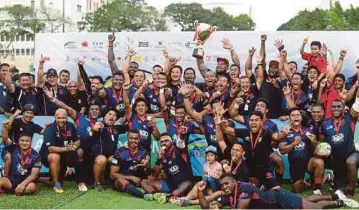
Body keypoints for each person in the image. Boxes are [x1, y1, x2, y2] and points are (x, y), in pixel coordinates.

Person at [43, 88, 102, 192]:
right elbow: (66, 107)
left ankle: (82, 180)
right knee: (79, 152)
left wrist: (99, 126)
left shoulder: (101, 122)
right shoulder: (79, 117)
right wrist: (53, 99)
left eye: (97, 109)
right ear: (88, 110)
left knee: (91, 177)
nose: (94, 111)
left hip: (91, 153)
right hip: (74, 151)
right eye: (92, 109)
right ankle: (73, 182)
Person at [219, 111, 286, 189]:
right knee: (248, 188)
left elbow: (277, 137)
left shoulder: (266, 133)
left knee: (276, 189)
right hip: (249, 168)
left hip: (265, 168)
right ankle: (260, 186)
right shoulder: (245, 132)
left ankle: (270, 185)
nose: (253, 122)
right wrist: (220, 117)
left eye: (256, 120)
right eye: (251, 120)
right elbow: (226, 130)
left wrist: (284, 133)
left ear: (261, 122)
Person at [198, 174, 344, 209]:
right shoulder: (229, 196)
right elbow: (205, 207)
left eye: (226, 183)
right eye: (221, 185)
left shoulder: (244, 188)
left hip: (279, 198)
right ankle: (335, 198)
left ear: (234, 182)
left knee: (312, 208)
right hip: (276, 204)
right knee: (307, 201)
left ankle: (335, 203)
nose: (224, 187)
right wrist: (200, 192)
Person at [320, 92, 359, 199]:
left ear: (343, 109)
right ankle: (346, 182)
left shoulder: (349, 118)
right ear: (330, 109)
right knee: (339, 189)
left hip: (352, 153)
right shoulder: (325, 123)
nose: (336, 109)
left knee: (350, 163)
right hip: (336, 160)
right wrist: (321, 149)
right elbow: (321, 142)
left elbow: (357, 105)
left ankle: (350, 192)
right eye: (333, 107)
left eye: (338, 107)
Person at [279, 108, 324, 194]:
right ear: (289, 118)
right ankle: (308, 184)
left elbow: (316, 149)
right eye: (293, 115)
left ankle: (317, 189)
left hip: (309, 162)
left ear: (301, 118)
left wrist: (314, 142)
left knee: (319, 162)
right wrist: (294, 143)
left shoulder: (309, 130)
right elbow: (282, 150)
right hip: (295, 164)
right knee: (297, 190)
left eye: (298, 115)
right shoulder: (285, 132)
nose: (296, 116)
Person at [140, 133, 192, 204]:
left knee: (186, 184)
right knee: (144, 182)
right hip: (170, 185)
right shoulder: (162, 155)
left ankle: (168, 197)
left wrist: (182, 135)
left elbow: (181, 143)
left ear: (171, 142)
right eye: (162, 142)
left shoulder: (178, 149)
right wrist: (159, 159)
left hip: (183, 182)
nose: (164, 143)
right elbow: (154, 175)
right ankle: (156, 195)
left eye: (166, 141)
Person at [39, 109, 80, 193]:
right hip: (48, 155)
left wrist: (74, 146)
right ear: (55, 117)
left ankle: (81, 180)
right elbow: (51, 149)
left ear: (67, 117)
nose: (61, 120)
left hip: (64, 153)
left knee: (80, 152)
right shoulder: (49, 129)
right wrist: (67, 148)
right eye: (59, 118)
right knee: (55, 156)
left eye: (63, 118)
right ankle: (56, 184)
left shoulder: (71, 125)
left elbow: (78, 140)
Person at [88, 108, 128, 191]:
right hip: (97, 155)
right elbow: (96, 126)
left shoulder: (116, 129)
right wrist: (96, 126)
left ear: (116, 119)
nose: (112, 116)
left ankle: (110, 180)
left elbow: (129, 125)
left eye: (114, 115)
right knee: (102, 160)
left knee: (119, 159)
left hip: (110, 156)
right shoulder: (101, 124)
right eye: (109, 114)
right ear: (104, 117)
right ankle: (97, 183)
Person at [1, 104, 44, 177]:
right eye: (27, 112)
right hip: (11, 148)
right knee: (9, 156)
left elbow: (43, 131)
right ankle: (5, 178)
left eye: (32, 113)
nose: (29, 115)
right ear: (23, 113)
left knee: (31, 163)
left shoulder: (33, 125)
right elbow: (8, 127)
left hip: (25, 151)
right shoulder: (16, 121)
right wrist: (14, 116)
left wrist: (49, 125)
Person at [0, 121, 41, 195]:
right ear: (18, 141)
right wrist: (5, 127)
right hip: (12, 179)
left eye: (27, 141)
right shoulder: (14, 148)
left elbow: (34, 174)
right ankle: (13, 190)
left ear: (31, 142)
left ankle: (9, 190)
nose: (24, 143)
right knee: (1, 181)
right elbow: (5, 138)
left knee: (32, 187)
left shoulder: (36, 155)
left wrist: (23, 184)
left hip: (26, 181)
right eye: (22, 140)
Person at [110, 129, 151, 199]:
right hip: (122, 180)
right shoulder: (119, 152)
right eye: (131, 138)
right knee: (120, 181)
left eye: (136, 138)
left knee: (150, 179)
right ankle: (143, 195)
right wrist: (131, 178)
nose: (133, 140)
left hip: (138, 180)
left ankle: (152, 193)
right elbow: (112, 175)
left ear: (139, 139)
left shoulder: (143, 152)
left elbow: (147, 172)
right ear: (127, 139)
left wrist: (146, 166)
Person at [123, 82, 160, 152]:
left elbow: (157, 138)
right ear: (135, 109)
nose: (140, 107)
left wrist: (154, 127)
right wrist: (125, 91)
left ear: (146, 108)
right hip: (131, 153)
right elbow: (127, 105)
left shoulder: (149, 121)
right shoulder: (132, 117)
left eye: (143, 106)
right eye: (138, 106)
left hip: (145, 154)